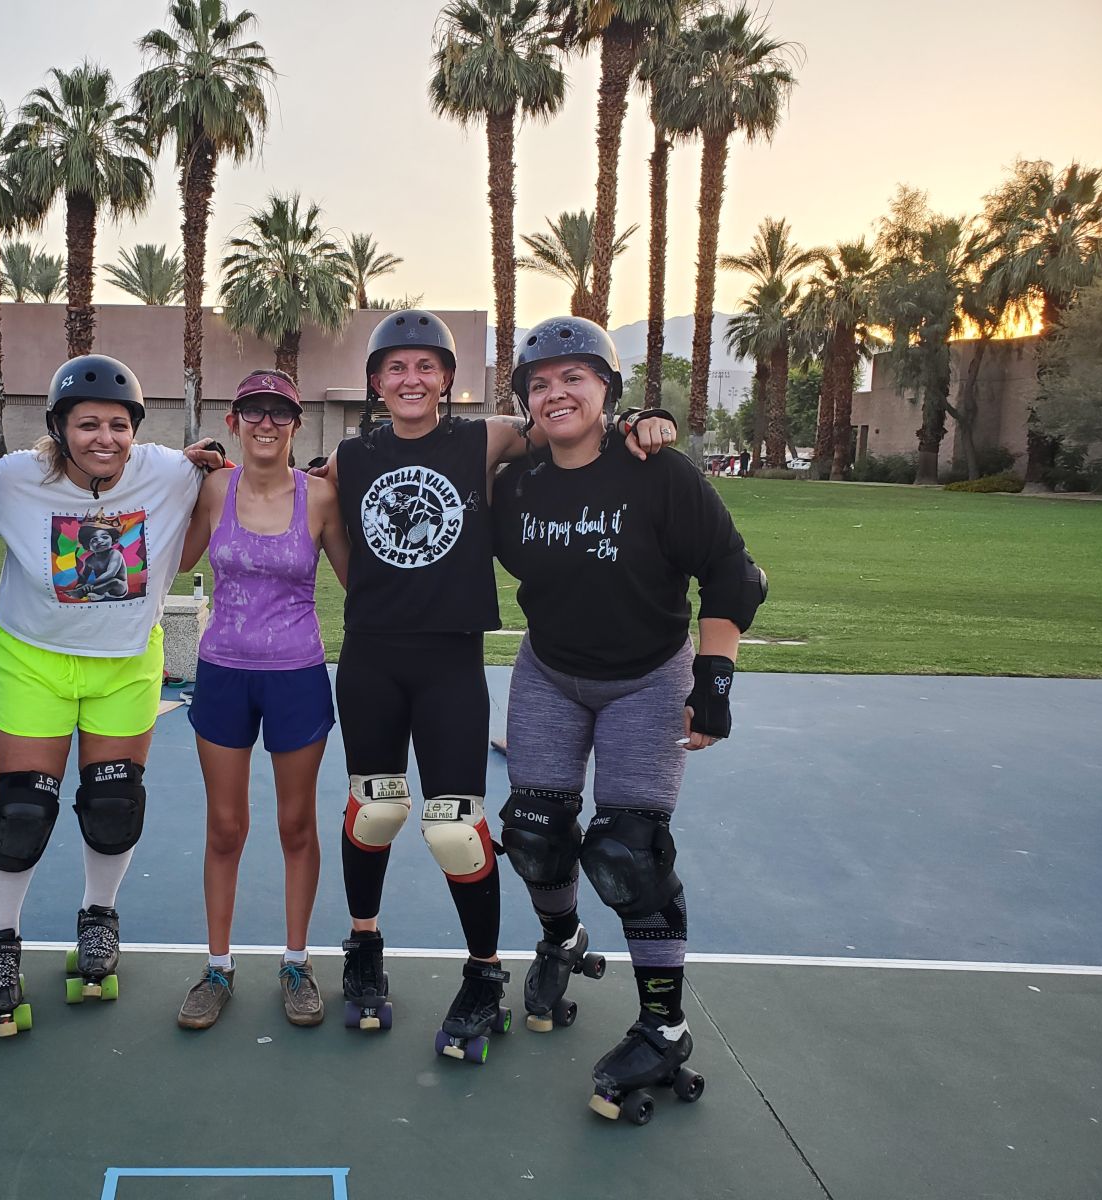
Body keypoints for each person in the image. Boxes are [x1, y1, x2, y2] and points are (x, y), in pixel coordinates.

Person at [317, 309, 677, 1061]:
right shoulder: (349, 458)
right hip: (372, 660)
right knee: (374, 811)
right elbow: (328, 529)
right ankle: (363, 946)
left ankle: (484, 973)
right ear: (376, 382)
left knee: (455, 826)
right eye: (395, 368)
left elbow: (568, 423)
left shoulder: (484, 439)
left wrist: (637, 420)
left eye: (426, 366)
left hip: (450, 661)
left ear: (448, 379)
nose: (411, 379)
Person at [492, 316, 767, 1121]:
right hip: (550, 672)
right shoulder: (515, 484)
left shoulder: (658, 473)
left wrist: (714, 681)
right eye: (540, 384)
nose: (557, 393)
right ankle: (562, 942)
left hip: (647, 678)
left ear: (607, 390)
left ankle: (664, 1027)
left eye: (574, 378)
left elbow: (733, 572)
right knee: (534, 834)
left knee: (626, 855)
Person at [0, 354, 224, 1037]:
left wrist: (210, 462)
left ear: (135, 428)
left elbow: (226, 490)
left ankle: (99, 917)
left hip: (125, 665)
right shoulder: (12, 479)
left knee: (114, 805)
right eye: (87, 425)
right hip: (31, 661)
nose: (104, 438)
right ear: (59, 427)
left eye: (118, 425)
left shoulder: (170, 473)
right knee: (22, 810)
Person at [173, 370, 350, 1031]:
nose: (267, 423)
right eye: (254, 411)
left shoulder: (322, 497)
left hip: (296, 676)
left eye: (280, 413)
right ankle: (218, 967)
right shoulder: (215, 489)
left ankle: (297, 962)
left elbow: (362, 582)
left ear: (296, 424)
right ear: (235, 421)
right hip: (223, 673)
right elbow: (173, 557)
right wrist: (174, 474)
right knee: (225, 827)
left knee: (296, 826)